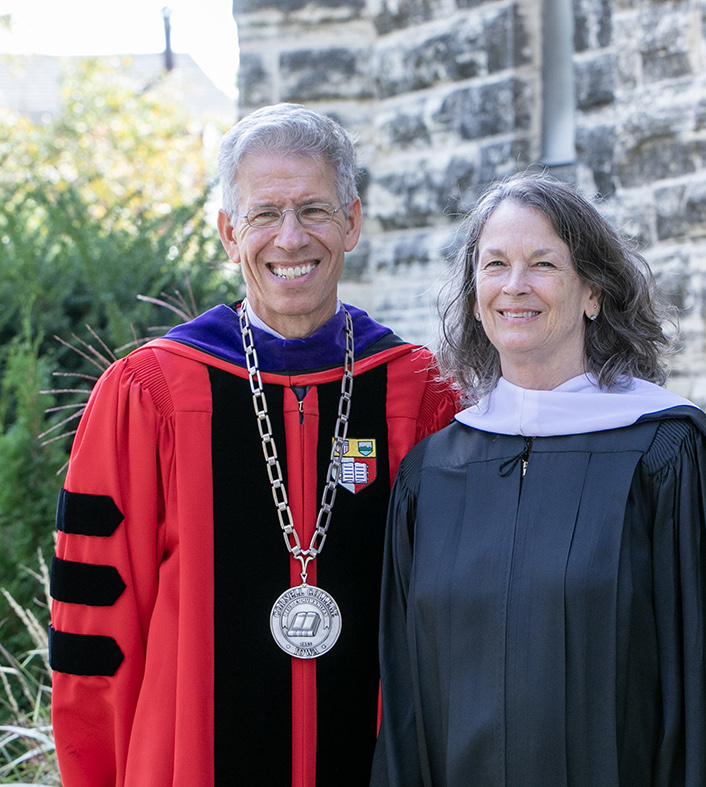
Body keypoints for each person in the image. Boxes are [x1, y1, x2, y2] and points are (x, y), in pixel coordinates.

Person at [50, 103, 459, 787]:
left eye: (315, 211)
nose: (290, 237)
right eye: (265, 213)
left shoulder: (418, 392)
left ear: (352, 222)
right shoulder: (149, 394)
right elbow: (96, 627)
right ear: (228, 232)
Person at [371, 174, 706, 786]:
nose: (515, 285)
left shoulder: (664, 452)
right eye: (495, 264)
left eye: (543, 264)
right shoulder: (433, 474)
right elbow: (407, 705)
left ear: (593, 291)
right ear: (474, 290)